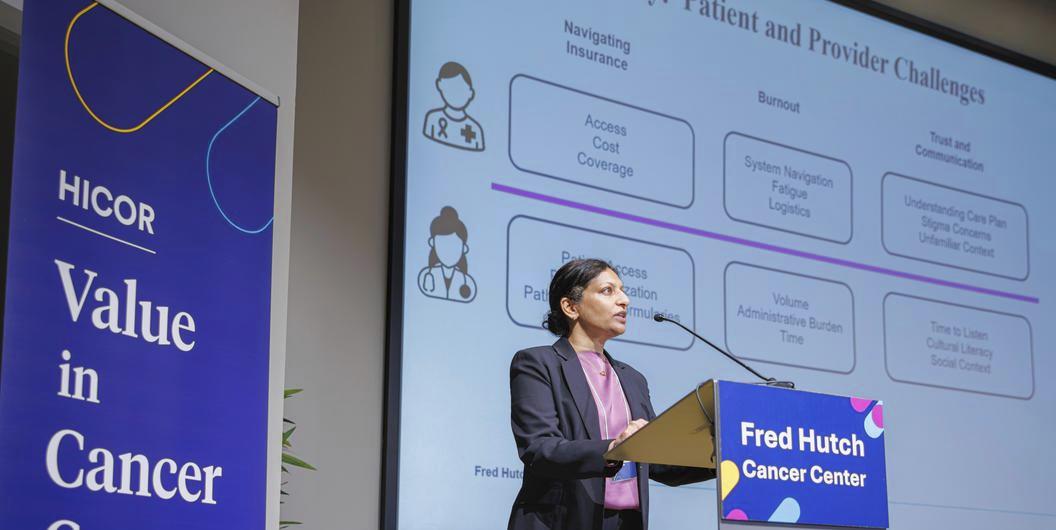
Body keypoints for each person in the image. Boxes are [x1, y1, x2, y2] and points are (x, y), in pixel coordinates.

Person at [508, 259, 714, 530]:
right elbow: (540, 449)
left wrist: (721, 458)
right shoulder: (538, 363)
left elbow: (656, 463)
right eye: (608, 291)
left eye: (623, 290)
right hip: (561, 521)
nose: (624, 300)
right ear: (571, 307)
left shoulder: (632, 378)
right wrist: (613, 449)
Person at [417, 206, 477, 302]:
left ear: (464, 248)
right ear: (432, 242)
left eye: (455, 245)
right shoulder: (426, 277)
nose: (449, 251)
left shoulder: (468, 283)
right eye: (443, 244)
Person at [422, 61, 485, 151]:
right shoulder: (433, 119)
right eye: (450, 87)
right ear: (439, 85)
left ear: (470, 93)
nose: (456, 94)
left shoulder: (475, 129)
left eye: (461, 89)